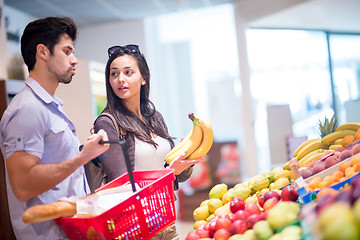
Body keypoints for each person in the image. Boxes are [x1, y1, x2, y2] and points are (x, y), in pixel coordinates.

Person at [0, 17, 109, 239]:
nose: (75, 60)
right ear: (43, 52)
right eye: (67, 51)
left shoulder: (48, 106)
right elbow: (22, 184)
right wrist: (81, 158)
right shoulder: (28, 109)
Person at [93, 44, 204, 239]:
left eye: (128, 72)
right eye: (114, 74)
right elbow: (120, 184)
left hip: (165, 220)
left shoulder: (154, 117)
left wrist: (186, 161)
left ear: (143, 78)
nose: (121, 79)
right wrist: (169, 173)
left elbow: (178, 176)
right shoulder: (107, 123)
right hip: (132, 226)